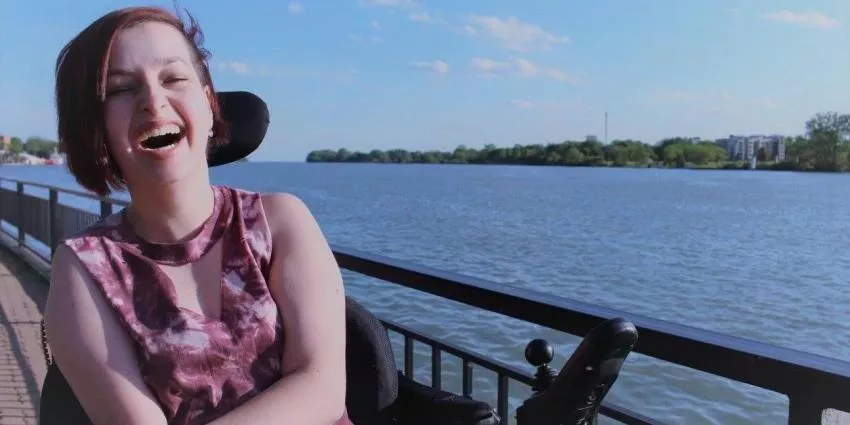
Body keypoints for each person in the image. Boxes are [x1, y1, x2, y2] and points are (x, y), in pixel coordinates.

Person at [42, 6, 352, 425]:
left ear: (208, 106)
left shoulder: (280, 221)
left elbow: (323, 387)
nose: (153, 102)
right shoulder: (84, 268)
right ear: (96, 129)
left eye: (173, 78)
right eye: (121, 88)